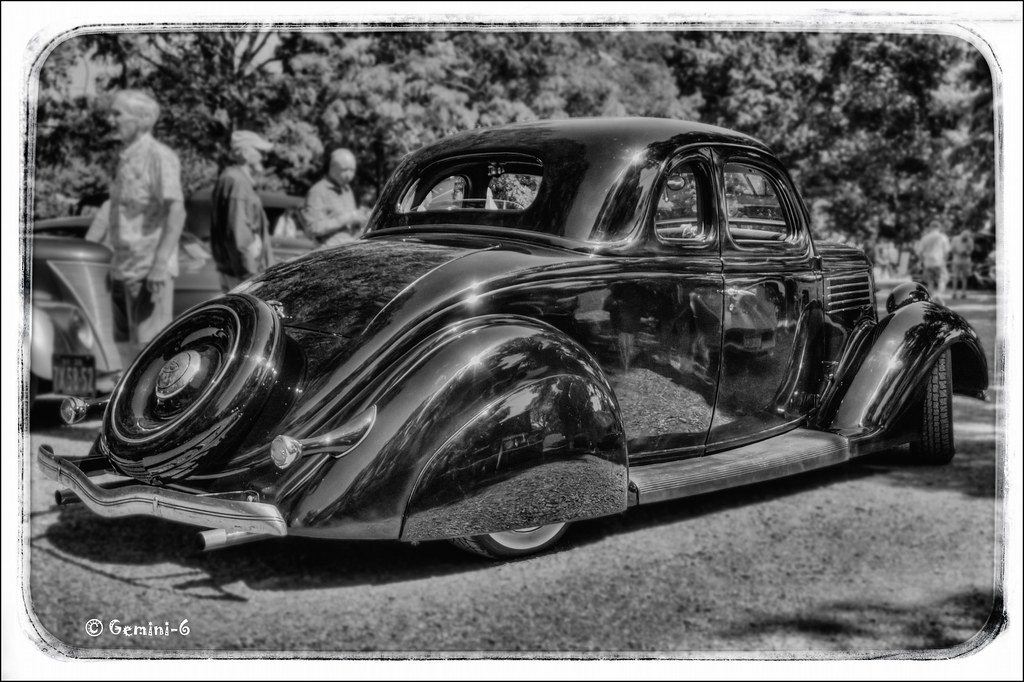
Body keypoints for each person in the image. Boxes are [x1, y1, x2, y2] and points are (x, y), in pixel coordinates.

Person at [85, 89, 185, 363]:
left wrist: (159, 264)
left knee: (148, 355)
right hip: (122, 271)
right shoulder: (127, 158)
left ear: (141, 119)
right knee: (123, 353)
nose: (111, 119)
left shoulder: (158, 156)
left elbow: (176, 210)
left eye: (118, 113)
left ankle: (145, 407)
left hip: (147, 272)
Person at [210, 130, 275, 292]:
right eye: (260, 152)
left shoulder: (234, 179)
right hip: (245, 276)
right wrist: (252, 277)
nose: (265, 158)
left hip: (240, 273)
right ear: (244, 152)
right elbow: (239, 236)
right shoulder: (237, 181)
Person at [301, 147, 370, 248]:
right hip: (328, 253)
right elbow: (312, 229)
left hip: (350, 249)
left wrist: (362, 218)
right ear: (332, 167)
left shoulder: (347, 190)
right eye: (344, 170)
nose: (349, 175)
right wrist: (346, 218)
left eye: (352, 170)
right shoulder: (318, 191)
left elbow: (350, 224)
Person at [916, 219, 951, 298]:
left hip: (928, 262)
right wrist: (944, 262)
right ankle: (938, 294)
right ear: (939, 227)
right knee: (943, 279)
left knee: (930, 281)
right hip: (939, 262)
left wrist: (922, 262)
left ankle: (933, 296)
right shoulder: (943, 237)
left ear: (930, 227)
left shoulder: (925, 237)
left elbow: (920, 252)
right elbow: (946, 252)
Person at [949, 228, 975, 299]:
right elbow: (952, 249)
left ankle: (963, 293)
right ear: (961, 236)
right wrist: (959, 252)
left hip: (966, 261)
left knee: (964, 278)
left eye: (966, 238)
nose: (965, 240)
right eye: (964, 238)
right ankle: (954, 293)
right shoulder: (955, 239)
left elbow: (971, 250)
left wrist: (966, 253)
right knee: (955, 277)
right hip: (956, 261)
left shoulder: (970, 240)